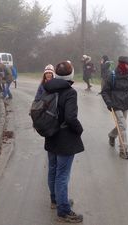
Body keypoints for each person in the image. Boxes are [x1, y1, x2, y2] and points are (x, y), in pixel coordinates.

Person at [36, 61, 84, 223]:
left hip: (50, 135)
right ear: (71, 75)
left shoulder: (47, 87)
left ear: (56, 73)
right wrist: (79, 130)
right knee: (62, 175)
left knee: (53, 170)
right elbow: (71, 118)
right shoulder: (70, 92)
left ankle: (56, 200)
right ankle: (63, 211)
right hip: (65, 139)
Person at [101, 56, 128, 160]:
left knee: (121, 125)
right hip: (115, 104)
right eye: (127, 64)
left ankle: (112, 135)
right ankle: (123, 151)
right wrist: (108, 103)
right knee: (123, 125)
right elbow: (105, 91)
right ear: (121, 64)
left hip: (125, 103)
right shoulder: (112, 75)